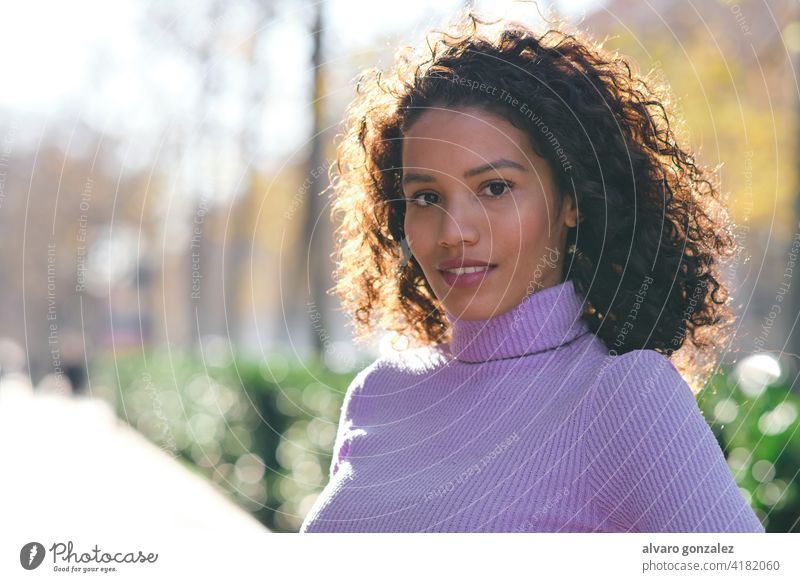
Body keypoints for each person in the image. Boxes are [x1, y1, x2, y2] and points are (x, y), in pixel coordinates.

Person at [300, 9, 764, 533]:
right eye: (426, 197)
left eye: (495, 188)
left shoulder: (623, 396)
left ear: (572, 200)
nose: (454, 231)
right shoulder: (379, 392)